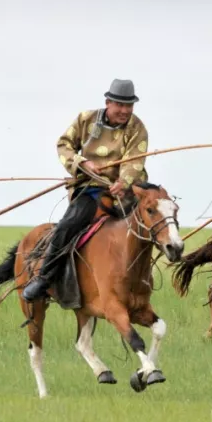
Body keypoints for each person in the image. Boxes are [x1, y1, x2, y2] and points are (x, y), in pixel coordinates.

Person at [21, 79, 149, 301]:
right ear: (108, 102)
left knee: (155, 221)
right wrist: (82, 163)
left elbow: (134, 162)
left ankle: (144, 279)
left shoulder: (137, 127)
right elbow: (64, 145)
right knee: (66, 227)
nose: (125, 111)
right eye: (120, 105)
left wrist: (124, 181)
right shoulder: (86, 119)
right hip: (92, 189)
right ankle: (44, 278)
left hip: (126, 191)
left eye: (129, 106)